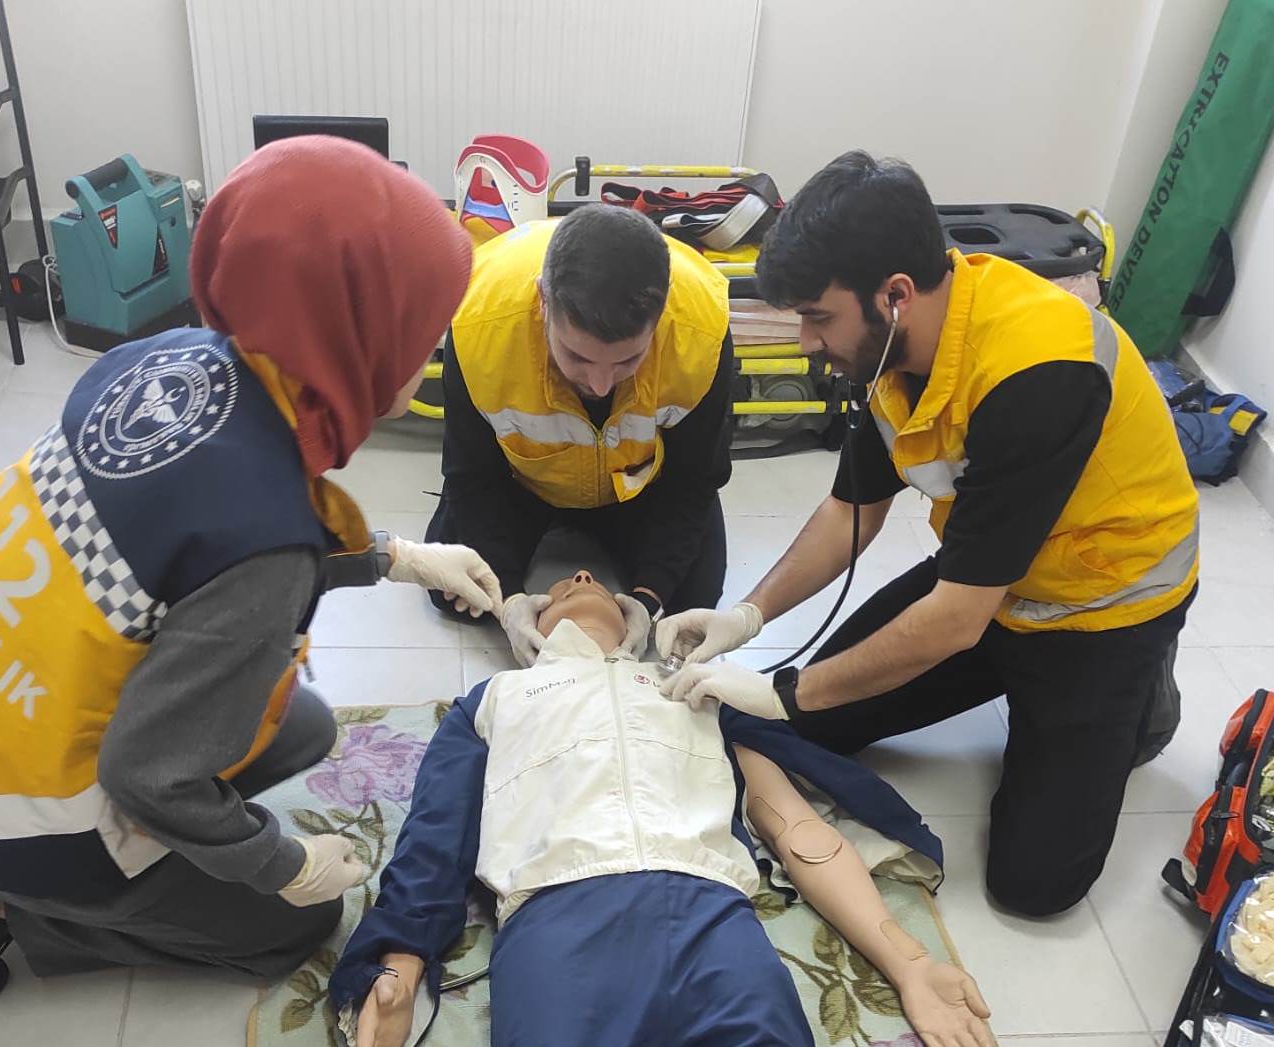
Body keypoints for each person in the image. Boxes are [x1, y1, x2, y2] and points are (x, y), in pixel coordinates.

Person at [0, 137, 504, 1009]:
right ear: (358, 332)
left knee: (300, 727)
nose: (432, 350)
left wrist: (394, 556)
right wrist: (282, 865)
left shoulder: (170, 360)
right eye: (424, 328)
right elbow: (148, 774)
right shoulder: (265, 551)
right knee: (292, 926)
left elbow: (195, 529)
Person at [656, 152, 1199, 918]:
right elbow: (850, 511)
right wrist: (747, 615)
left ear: (895, 294)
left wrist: (785, 689)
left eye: (817, 317)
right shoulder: (891, 350)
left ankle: (1142, 697)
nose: (807, 341)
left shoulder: (1038, 370)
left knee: (1033, 888)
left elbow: (953, 620)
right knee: (817, 723)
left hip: (1102, 610)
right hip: (991, 583)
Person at [330, 569, 994, 1047]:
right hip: (558, 916)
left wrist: (909, 963)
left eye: (595, 581)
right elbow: (436, 832)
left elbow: (795, 826)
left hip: (712, 916)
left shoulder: (697, 689)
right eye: (561, 586)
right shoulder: (496, 697)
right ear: (528, 628)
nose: (582, 576)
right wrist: (399, 965)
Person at [425, 204, 736, 666]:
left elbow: (693, 481)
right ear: (543, 302)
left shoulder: (701, 334)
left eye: (628, 360)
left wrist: (648, 601)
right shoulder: (479, 327)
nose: (601, 385)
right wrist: (508, 600)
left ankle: (611, 544)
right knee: (455, 591)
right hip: (520, 482)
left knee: (691, 602)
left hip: (638, 485)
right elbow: (471, 477)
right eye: (578, 357)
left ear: (660, 315)